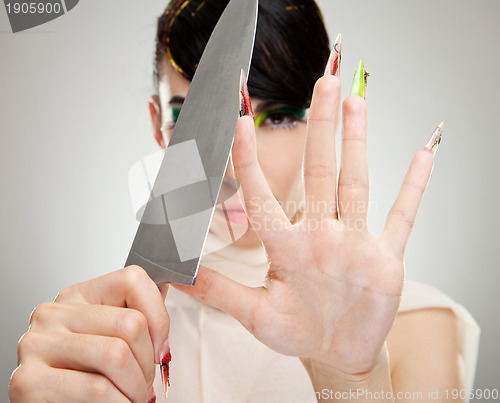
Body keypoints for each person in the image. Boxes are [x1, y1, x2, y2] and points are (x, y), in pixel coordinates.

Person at [8, 0, 480, 402]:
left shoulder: (415, 323)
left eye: (276, 118)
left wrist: (350, 378)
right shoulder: (101, 338)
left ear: (324, 119)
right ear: (158, 124)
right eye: (191, 114)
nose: (233, 164)